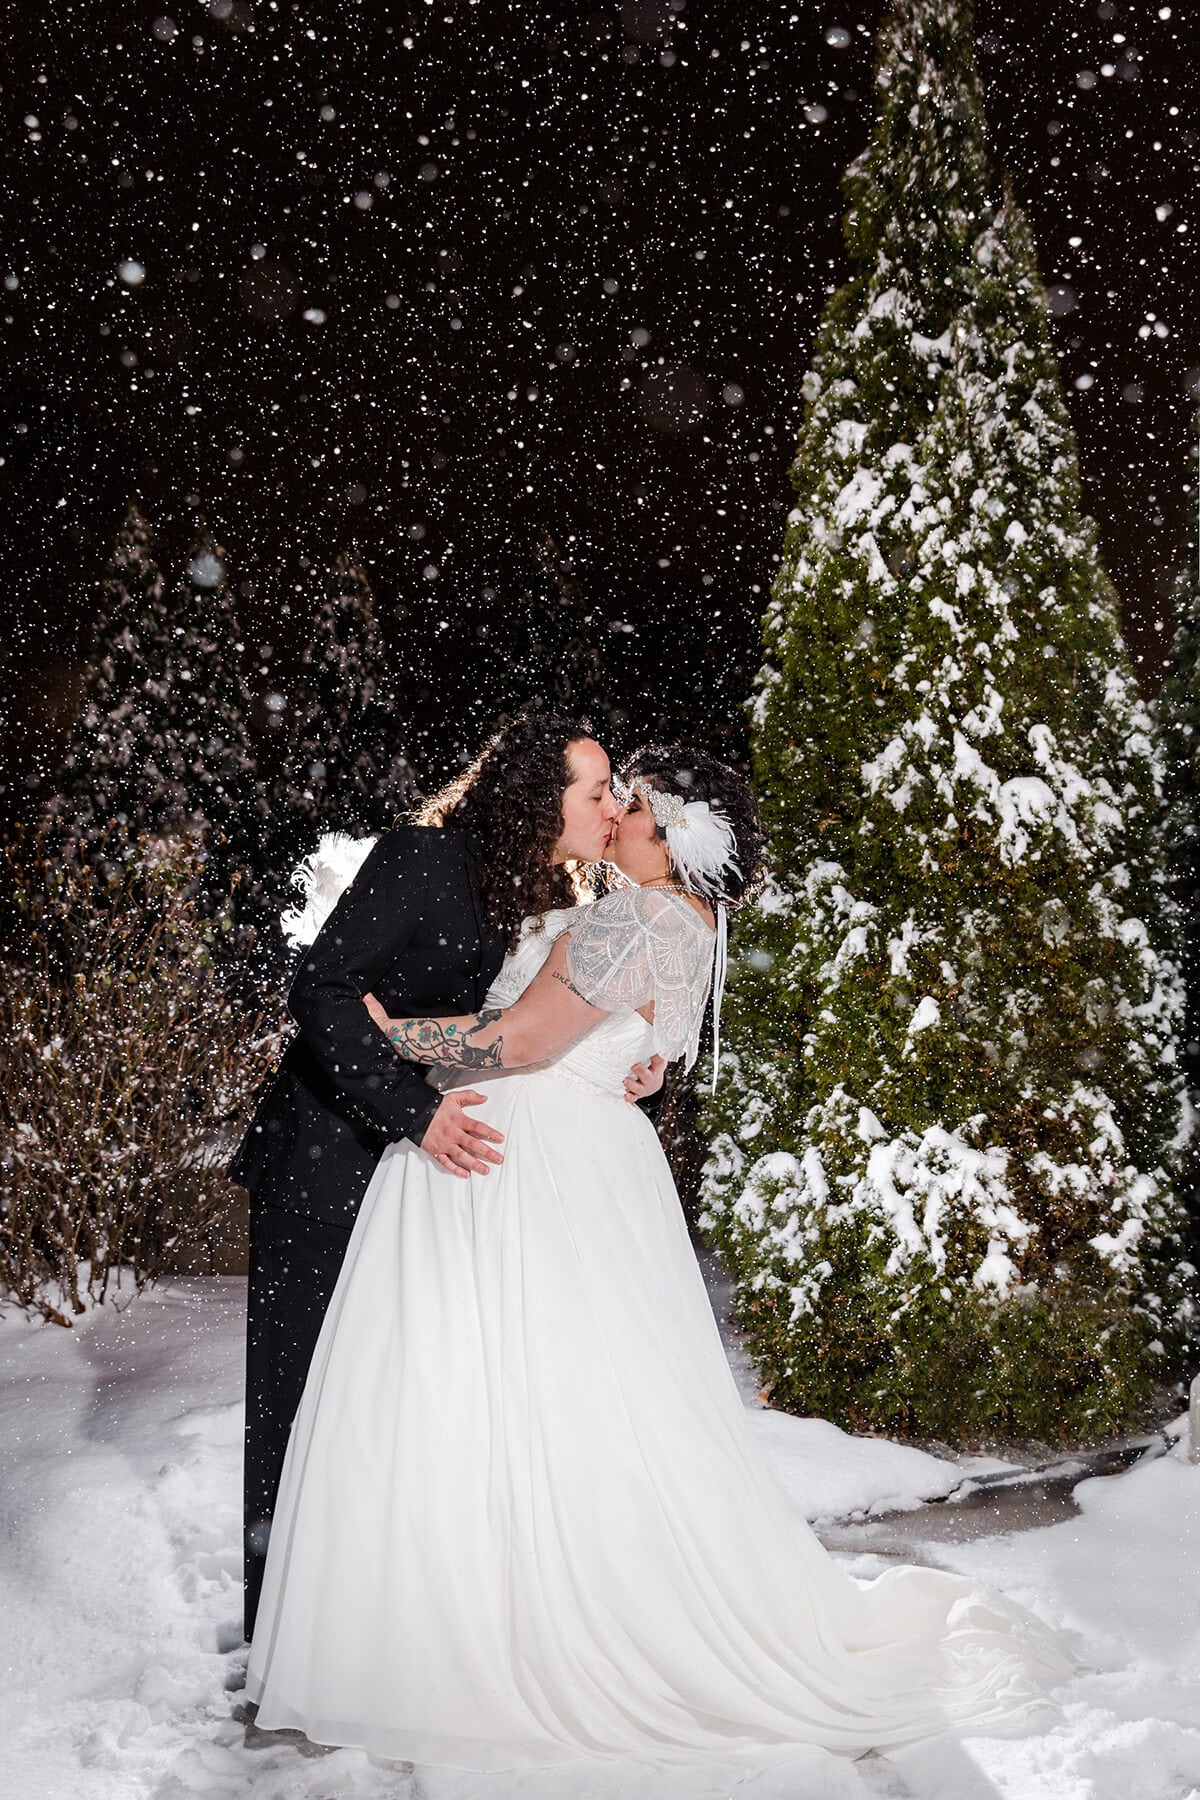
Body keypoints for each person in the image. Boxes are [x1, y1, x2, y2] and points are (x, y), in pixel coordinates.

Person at [245, 745, 1076, 1783]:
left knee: (504, 1386)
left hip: (530, 1155)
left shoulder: (632, 916)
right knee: (576, 1394)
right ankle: (534, 1593)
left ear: (669, 836)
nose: (615, 815)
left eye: (628, 805)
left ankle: (500, 1619)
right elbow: (616, 1047)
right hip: (587, 1162)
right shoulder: (681, 924)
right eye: (606, 795)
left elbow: (520, 1044)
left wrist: (392, 1035)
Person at [227, 713, 662, 1638]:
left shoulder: (540, 882)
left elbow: (532, 1019)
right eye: (595, 790)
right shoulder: (424, 859)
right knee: (302, 1405)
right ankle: (281, 1638)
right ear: (536, 796)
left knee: (388, 1403)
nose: (611, 804)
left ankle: (373, 1623)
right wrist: (414, 1113)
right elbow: (325, 992)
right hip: (326, 1164)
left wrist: (633, 1055)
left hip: (422, 1186)